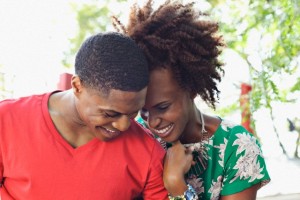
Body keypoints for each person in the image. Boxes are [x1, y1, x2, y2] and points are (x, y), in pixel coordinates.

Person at [113, 0, 271, 199]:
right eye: (142, 110)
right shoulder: (134, 139)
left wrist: (177, 186)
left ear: (192, 88)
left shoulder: (236, 147)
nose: (152, 121)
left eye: (162, 107)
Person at [0, 32, 168, 199]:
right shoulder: (6, 120)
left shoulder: (148, 152)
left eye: (132, 114)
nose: (123, 125)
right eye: (110, 113)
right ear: (77, 86)